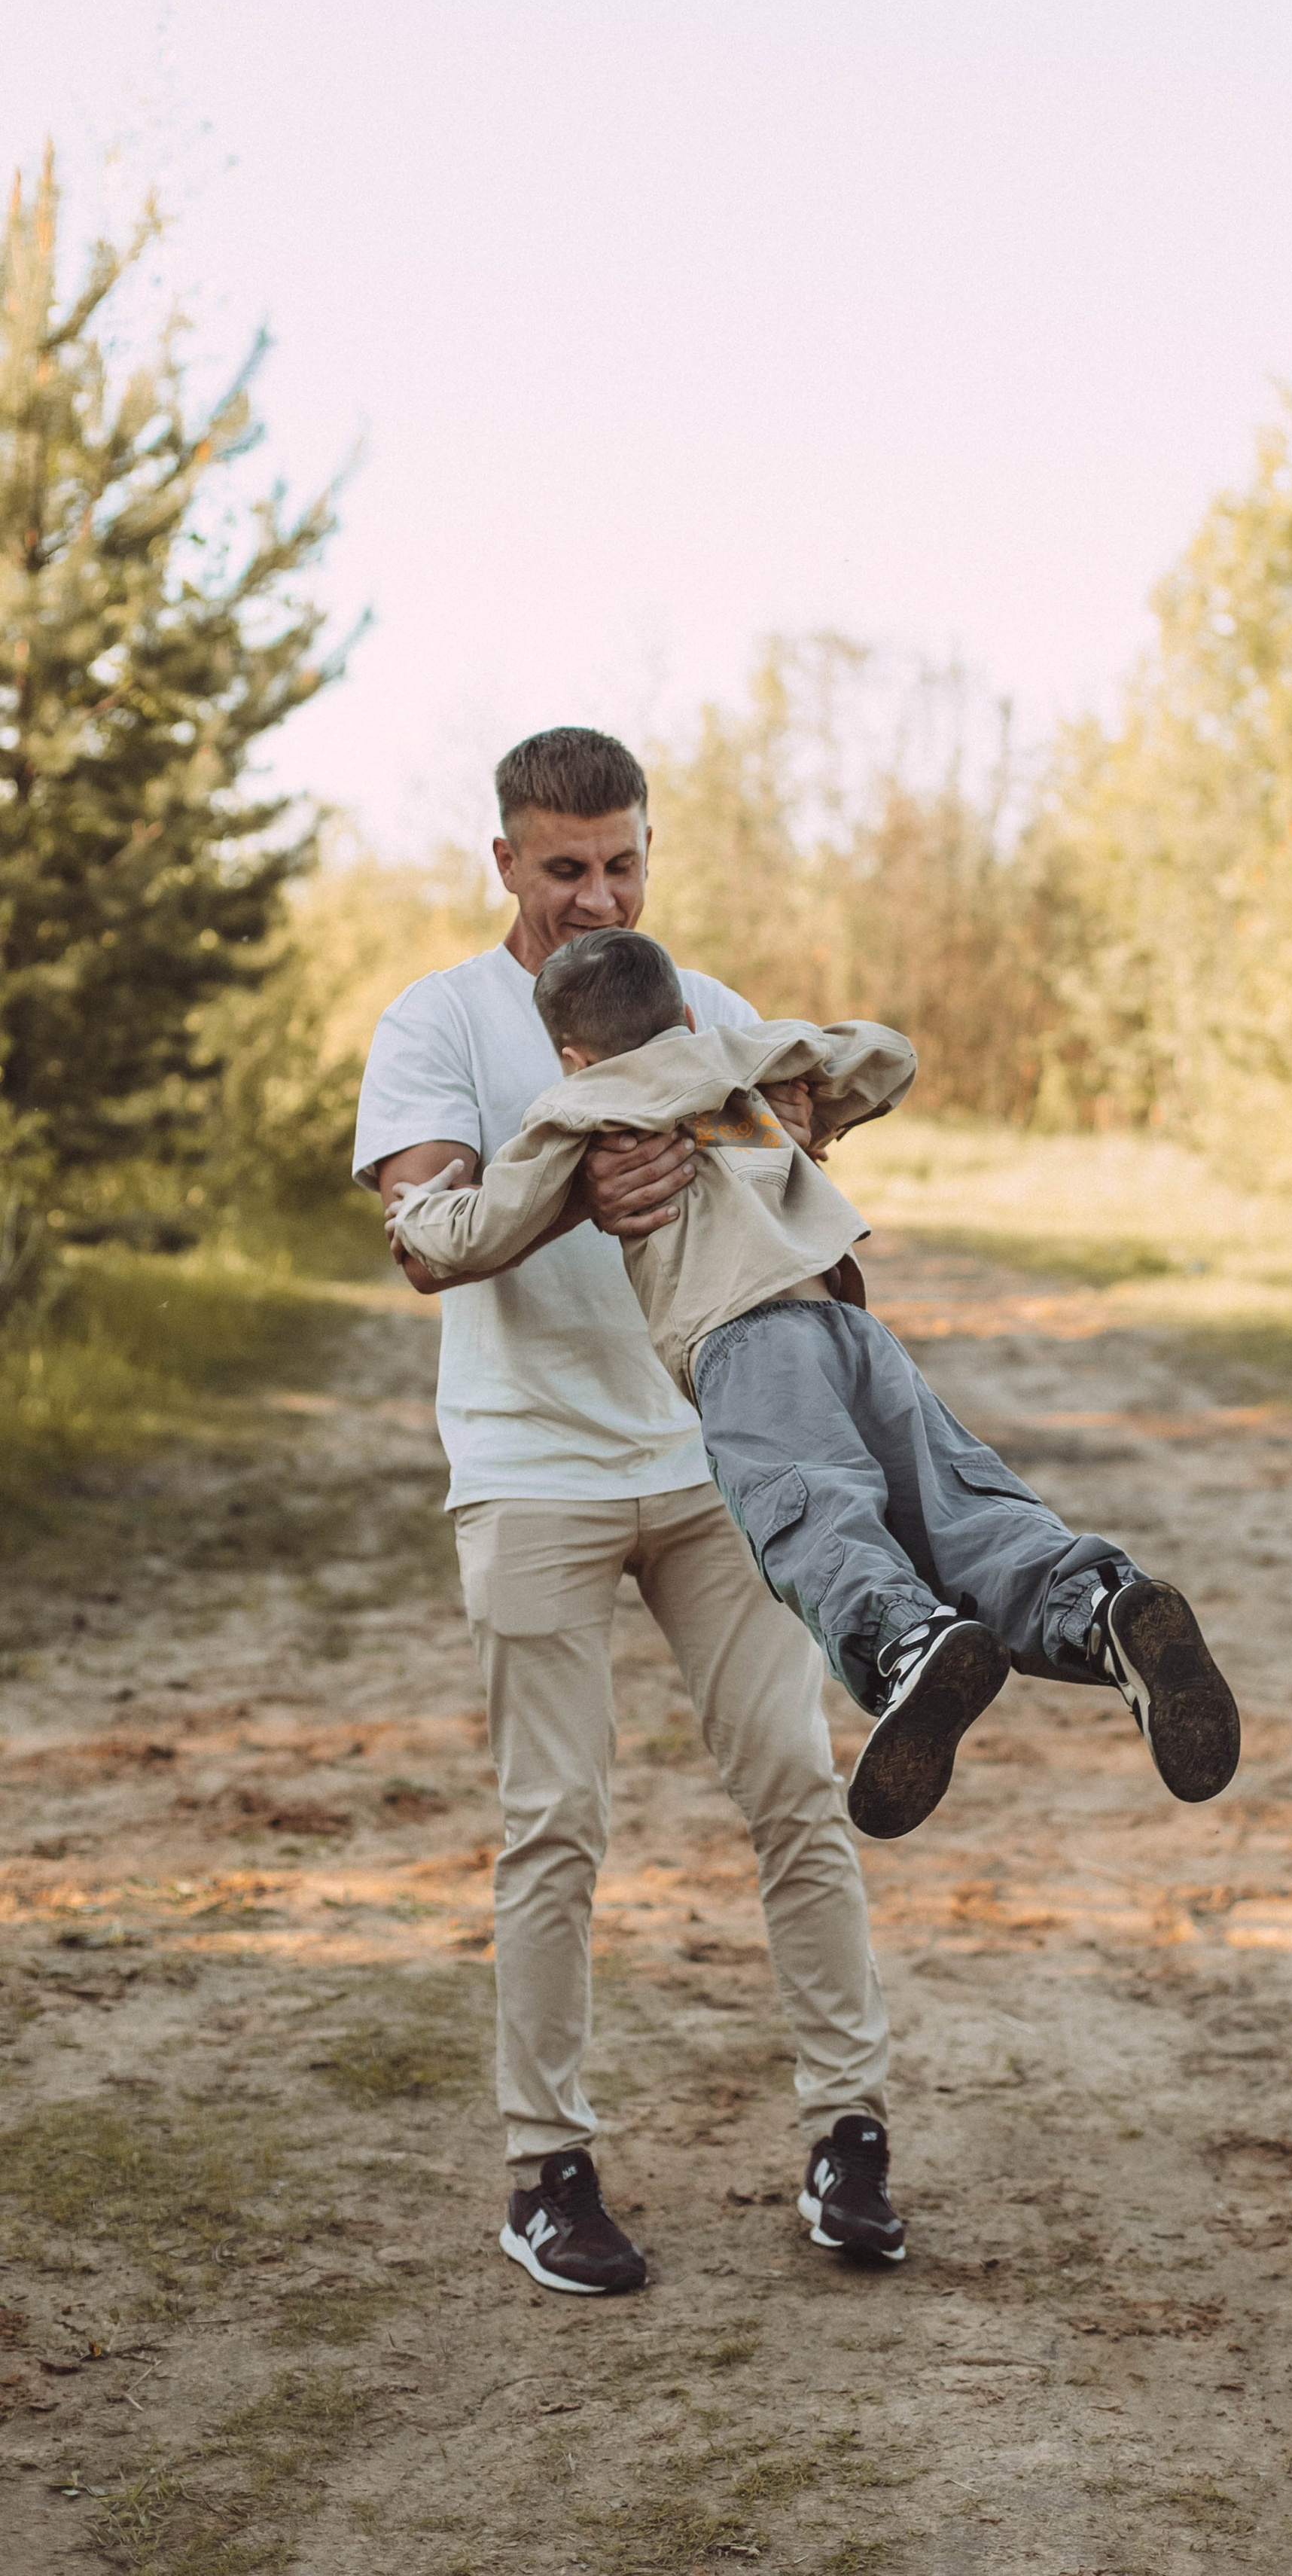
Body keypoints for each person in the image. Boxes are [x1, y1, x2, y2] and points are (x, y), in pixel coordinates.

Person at [354, 727, 900, 2297]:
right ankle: (547, 2173)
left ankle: (849, 2137)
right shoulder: (439, 1018)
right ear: (505, 862)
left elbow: (787, 1178)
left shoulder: (694, 1006)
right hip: (529, 1469)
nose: (597, 896)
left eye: (622, 862)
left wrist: (794, 1142)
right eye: (564, 868)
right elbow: (424, 1237)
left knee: (796, 1787)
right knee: (556, 1824)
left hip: (710, 1461)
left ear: (649, 851)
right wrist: (569, 1188)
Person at [385, 925, 1242, 1846]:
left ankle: (905, 1643)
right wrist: (804, 1090)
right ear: (684, 1016)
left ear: (571, 1056)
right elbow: (888, 1058)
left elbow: (478, 1232)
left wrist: (418, 1208)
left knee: (813, 1512)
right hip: (849, 1326)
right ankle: (1099, 1606)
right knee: (957, 1506)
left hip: (744, 1348)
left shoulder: (584, 1108)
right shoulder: (745, 1064)